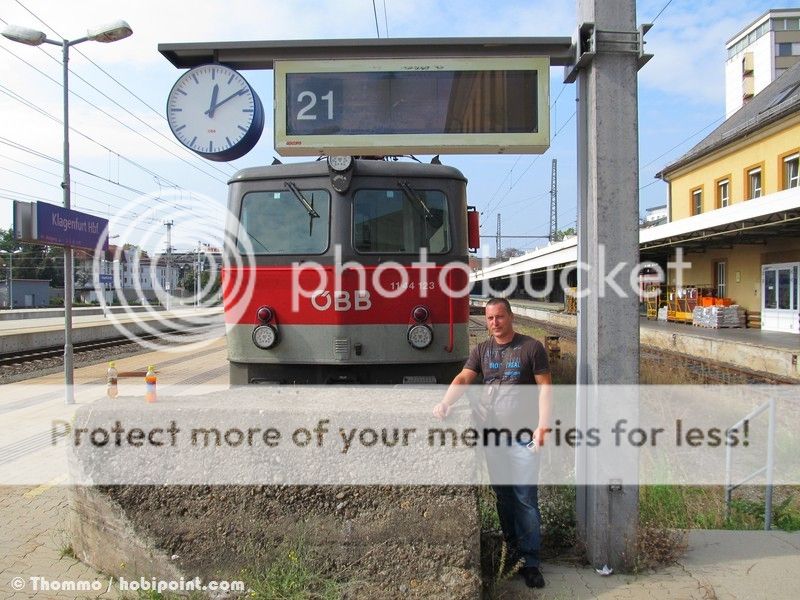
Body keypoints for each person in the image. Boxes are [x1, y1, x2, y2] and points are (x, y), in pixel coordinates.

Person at [433, 297, 552, 589]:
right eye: (489, 318)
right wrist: (446, 403)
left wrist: (543, 427)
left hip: (523, 436)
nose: (494, 323)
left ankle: (531, 561)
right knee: (504, 498)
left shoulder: (531, 348)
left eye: (499, 317)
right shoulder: (482, 350)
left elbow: (545, 389)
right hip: (494, 437)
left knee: (525, 499)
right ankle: (513, 551)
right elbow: (463, 378)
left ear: (510, 317)